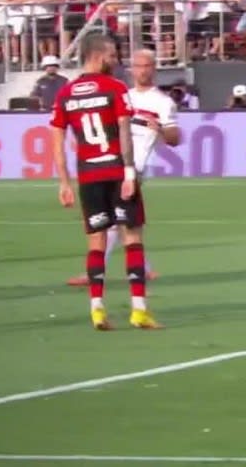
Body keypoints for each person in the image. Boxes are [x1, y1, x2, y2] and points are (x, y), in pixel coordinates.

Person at [49, 33, 157, 331]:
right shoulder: (115, 88)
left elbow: (56, 139)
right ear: (98, 56)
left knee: (96, 241)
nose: (116, 61)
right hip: (115, 171)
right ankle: (139, 310)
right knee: (132, 237)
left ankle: (97, 309)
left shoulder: (66, 93)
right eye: (111, 56)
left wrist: (64, 182)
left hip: (88, 175)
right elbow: (124, 132)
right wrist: (129, 172)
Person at [67, 50, 179, 296]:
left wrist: (160, 128)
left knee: (115, 222)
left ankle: (95, 273)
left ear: (154, 69)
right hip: (108, 162)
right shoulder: (119, 94)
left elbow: (175, 138)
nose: (143, 70)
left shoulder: (163, 102)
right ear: (131, 69)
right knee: (120, 221)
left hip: (133, 166)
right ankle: (144, 268)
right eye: (138, 65)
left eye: (148, 65)